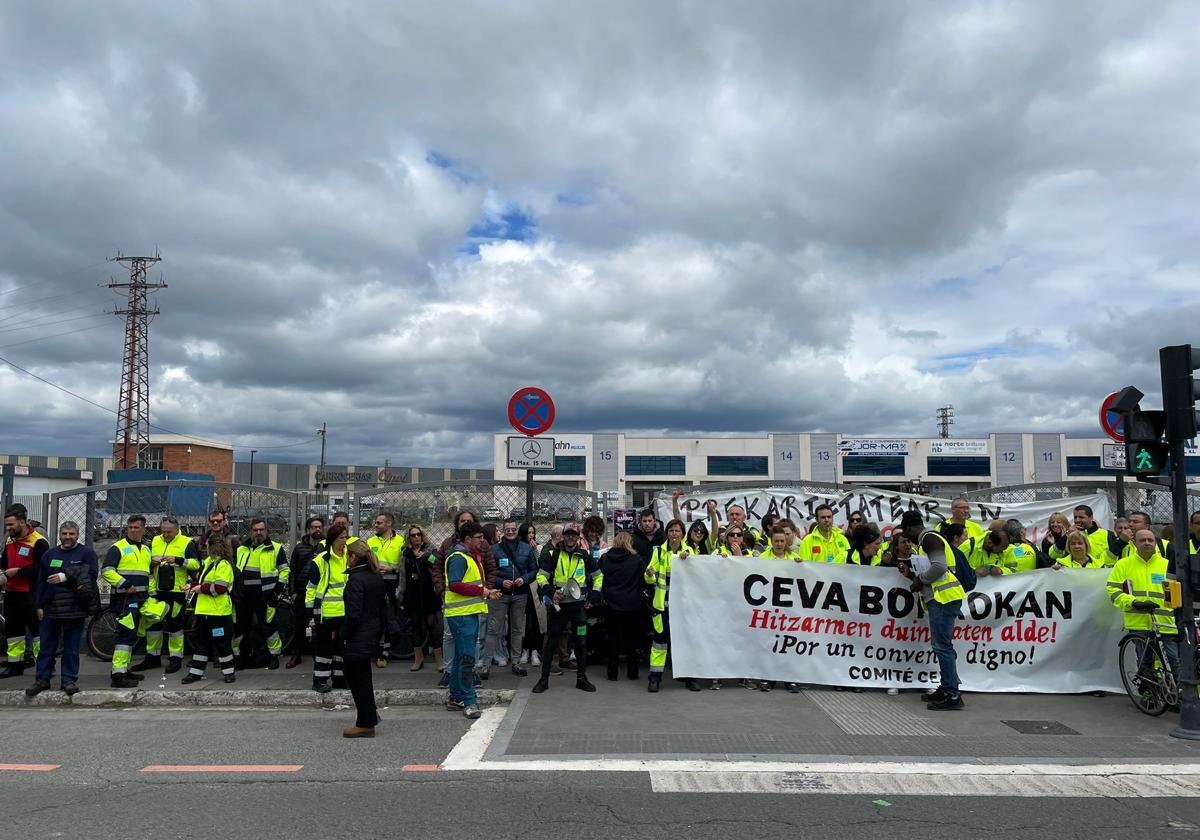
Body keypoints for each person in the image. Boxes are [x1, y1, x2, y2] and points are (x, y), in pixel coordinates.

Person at [895, 511, 966, 711]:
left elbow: (939, 567)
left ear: (909, 528)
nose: (906, 538)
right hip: (943, 599)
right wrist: (911, 575)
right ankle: (946, 688)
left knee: (942, 646)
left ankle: (952, 695)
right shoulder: (930, 539)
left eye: (905, 532)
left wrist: (919, 580)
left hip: (943, 600)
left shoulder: (929, 538)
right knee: (943, 645)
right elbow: (935, 572)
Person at [26, 521, 98, 697]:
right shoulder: (50, 554)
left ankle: (68, 680)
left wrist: (66, 576)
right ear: (59, 534)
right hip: (51, 609)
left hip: (75, 608)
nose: (67, 537)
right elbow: (41, 582)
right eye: (64, 534)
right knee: (46, 647)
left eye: (71, 534)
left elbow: (91, 574)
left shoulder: (86, 553)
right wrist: (39, 606)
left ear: (78, 534)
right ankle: (42, 679)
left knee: (71, 647)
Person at [532, 525, 602, 693]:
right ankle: (543, 680)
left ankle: (582, 679)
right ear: (563, 536)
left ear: (578, 538)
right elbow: (541, 576)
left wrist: (594, 597)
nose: (571, 538)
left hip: (579, 608)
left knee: (581, 643)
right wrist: (550, 591)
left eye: (574, 535)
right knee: (551, 643)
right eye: (568, 535)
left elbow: (598, 577)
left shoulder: (584, 556)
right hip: (559, 608)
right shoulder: (552, 554)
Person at [1107, 528, 1179, 690]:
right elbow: (1113, 589)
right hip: (1138, 620)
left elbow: (1175, 592)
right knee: (1145, 661)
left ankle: (1175, 694)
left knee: (1174, 660)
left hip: (1165, 621)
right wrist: (1131, 602)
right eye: (1142, 540)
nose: (1147, 543)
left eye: (1150, 540)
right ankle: (1149, 694)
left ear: (1155, 543)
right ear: (1134, 543)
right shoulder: (1123, 564)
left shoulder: (1166, 564)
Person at [443, 522, 500, 718]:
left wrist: (485, 592)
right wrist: (483, 591)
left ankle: (456, 697)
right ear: (468, 539)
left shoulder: (468, 556)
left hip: (466, 614)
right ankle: (469, 701)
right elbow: (455, 585)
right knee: (468, 658)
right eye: (479, 537)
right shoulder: (459, 558)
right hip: (461, 616)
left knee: (462, 657)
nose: (482, 541)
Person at [132, 516, 199, 675]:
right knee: (153, 623)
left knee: (175, 625)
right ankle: (152, 657)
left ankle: (176, 658)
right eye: (163, 531)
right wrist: (151, 562)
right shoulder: (155, 540)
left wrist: (177, 560)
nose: (166, 534)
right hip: (156, 590)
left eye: (169, 532)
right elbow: (145, 561)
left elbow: (196, 564)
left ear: (177, 529)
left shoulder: (186, 542)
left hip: (176, 591)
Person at [340, 540, 387, 738]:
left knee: (357, 680)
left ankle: (366, 722)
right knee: (364, 678)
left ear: (352, 557)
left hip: (358, 635)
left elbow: (353, 614)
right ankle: (369, 717)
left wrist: (343, 634)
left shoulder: (356, 580)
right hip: (371, 632)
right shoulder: (375, 576)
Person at [481, 519, 537, 679]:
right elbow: (488, 571)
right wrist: (500, 581)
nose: (511, 532)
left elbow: (534, 570)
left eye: (513, 529)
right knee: (493, 629)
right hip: (500, 594)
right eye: (508, 530)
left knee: (518, 629)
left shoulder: (526, 549)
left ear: (517, 531)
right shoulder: (494, 549)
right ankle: (485, 665)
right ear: (503, 531)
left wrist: (524, 579)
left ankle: (516, 662)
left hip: (520, 594)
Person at [101, 514, 151, 688]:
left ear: (143, 529)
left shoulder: (145, 549)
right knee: (125, 636)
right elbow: (107, 571)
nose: (133, 530)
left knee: (131, 637)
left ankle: (123, 669)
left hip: (140, 599)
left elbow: (146, 574)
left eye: (137, 527)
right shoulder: (118, 547)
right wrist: (124, 583)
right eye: (130, 527)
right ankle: (118, 675)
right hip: (124, 599)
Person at [644, 518, 694, 692]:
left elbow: (695, 577)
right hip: (661, 607)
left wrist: (687, 561)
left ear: (682, 534)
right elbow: (649, 578)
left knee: (685, 642)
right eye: (671, 530)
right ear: (667, 533)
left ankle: (690, 678)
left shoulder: (689, 551)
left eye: (677, 531)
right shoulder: (658, 552)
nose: (674, 534)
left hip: (682, 607)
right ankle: (654, 679)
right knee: (659, 643)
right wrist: (649, 574)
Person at [182, 531, 237, 684]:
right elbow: (203, 582)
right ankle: (196, 673)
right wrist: (191, 586)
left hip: (218, 613)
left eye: (206, 546)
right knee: (201, 644)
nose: (204, 548)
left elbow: (220, 588)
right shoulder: (209, 563)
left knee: (222, 644)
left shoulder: (223, 565)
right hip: (204, 612)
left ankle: (229, 672)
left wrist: (200, 588)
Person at [233, 517, 289, 670]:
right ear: (251, 531)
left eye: (261, 530)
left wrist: (277, 590)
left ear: (266, 531)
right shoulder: (241, 549)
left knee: (268, 627)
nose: (258, 532)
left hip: (266, 596)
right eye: (255, 530)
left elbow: (284, 570)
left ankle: (274, 655)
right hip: (244, 597)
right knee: (239, 627)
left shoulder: (276, 548)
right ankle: (237, 657)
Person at [1, 504, 49, 678]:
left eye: (11, 525)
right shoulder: (9, 540)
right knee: (14, 632)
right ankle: (15, 666)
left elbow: (43, 569)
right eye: (7, 525)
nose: (8, 528)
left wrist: (19, 571)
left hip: (31, 594)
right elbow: (4, 563)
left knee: (37, 632)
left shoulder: (39, 541)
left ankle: (43, 667)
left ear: (22, 522)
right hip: (12, 592)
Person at [306, 523, 351, 693]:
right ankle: (320, 680)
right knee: (324, 649)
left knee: (341, 648)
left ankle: (339, 678)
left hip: (345, 612)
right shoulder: (320, 561)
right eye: (341, 538)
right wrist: (310, 613)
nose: (344, 541)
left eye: (345, 537)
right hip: (327, 613)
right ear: (332, 540)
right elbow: (311, 589)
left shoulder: (349, 556)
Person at [600, 530, 647, 682]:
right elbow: (643, 581)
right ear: (630, 543)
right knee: (631, 639)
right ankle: (632, 671)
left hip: (611, 604)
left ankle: (612, 672)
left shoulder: (605, 558)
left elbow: (599, 579)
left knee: (612, 639)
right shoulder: (636, 559)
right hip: (633, 604)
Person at [286, 515, 325, 669]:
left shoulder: (326, 547)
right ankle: (296, 655)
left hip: (319, 594)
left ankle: (319, 657)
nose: (317, 529)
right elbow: (292, 571)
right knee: (300, 625)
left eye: (320, 527)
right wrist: (293, 592)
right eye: (314, 527)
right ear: (308, 530)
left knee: (319, 626)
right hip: (302, 592)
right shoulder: (299, 548)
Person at [367, 512, 405, 668]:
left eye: (379, 523)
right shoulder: (370, 541)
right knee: (374, 620)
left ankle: (385, 652)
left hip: (391, 585)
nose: (375, 526)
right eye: (375, 523)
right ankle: (375, 651)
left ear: (389, 524)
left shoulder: (401, 542)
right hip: (373, 584)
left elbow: (404, 566)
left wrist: (392, 569)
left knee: (389, 619)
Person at [401, 525, 441, 673]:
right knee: (415, 626)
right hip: (412, 594)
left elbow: (436, 562)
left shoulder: (430, 550)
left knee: (432, 625)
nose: (416, 537)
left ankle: (439, 658)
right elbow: (403, 574)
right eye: (413, 535)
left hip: (428, 593)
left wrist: (424, 556)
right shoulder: (406, 553)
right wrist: (401, 595)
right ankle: (418, 658)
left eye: (419, 534)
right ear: (409, 538)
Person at [518, 522, 546, 668]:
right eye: (528, 533)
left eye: (533, 533)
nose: (531, 536)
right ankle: (524, 650)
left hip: (534, 588)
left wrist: (535, 551)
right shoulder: (518, 548)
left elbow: (541, 566)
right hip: (521, 587)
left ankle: (535, 650)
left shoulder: (539, 548)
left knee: (536, 621)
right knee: (522, 621)